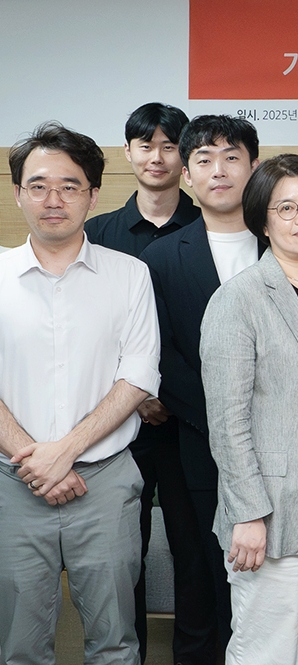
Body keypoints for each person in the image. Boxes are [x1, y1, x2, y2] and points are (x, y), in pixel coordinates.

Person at [0, 122, 160, 663]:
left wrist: (63, 452)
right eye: (38, 185)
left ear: (92, 196)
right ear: (18, 192)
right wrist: (35, 460)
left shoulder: (130, 275)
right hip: (12, 483)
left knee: (115, 642)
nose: (53, 200)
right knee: (18, 646)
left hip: (105, 482)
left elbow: (138, 376)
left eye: (70, 186)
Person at [200, 154, 298, 664]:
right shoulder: (239, 299)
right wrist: (248, 513)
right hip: (271, 512)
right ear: (262, 222)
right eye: (286, 208)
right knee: (263, 650)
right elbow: (227, 422)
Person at [84, 101, 215, 665]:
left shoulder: (213, 226)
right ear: (127, 152)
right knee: (119, 558)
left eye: (169, 146)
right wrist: (135, 396)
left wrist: (170, 395)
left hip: (191, 422)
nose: (157, 157)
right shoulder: (97, 233)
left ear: (184, 156)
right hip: (117, 426)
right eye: (146, 145)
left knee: (196, 553)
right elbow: (89, 330)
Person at [139, 115, 263, 651]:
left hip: (282, 444)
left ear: (254, 168)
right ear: (186, 174)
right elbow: (157, 353)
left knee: (276, 582)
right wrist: (222, 418)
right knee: (199, 577)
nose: (220, 171)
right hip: (194, 444)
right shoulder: (160, 257)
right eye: (205, 160)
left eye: (233, 157)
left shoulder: (289, 242)